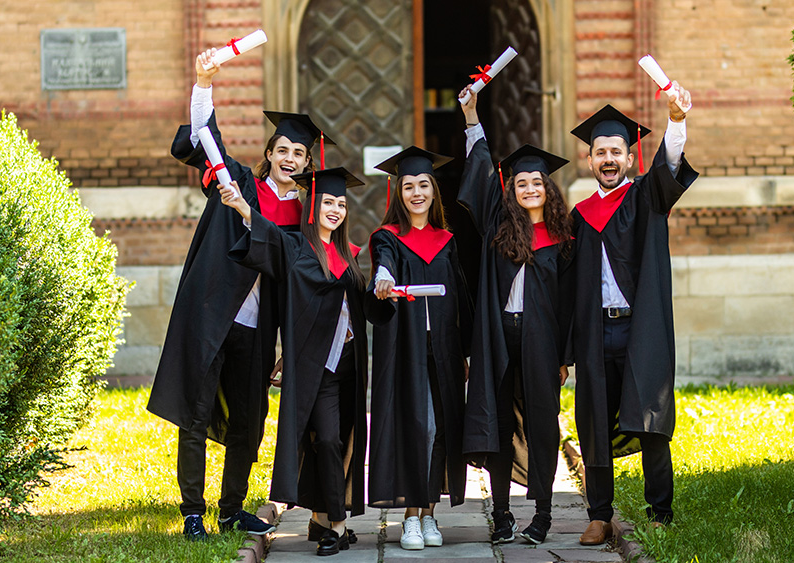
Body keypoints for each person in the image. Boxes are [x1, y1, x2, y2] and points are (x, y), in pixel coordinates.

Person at [146, 48, 329, 540]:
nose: (290, 159)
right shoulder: (240, 184)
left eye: (300, 154)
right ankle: (191, 511)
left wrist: (292, 348)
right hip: (211, 318)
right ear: (270, 153)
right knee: (197, 413)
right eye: (283, 150)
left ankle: (229, 510)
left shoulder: (309, 219)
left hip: (258, 327)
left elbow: (307, 285)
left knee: (249, 422)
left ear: (308, 163)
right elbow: (207, 141)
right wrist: (203, 83)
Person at [566, 86, 698, 545]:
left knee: (651, 419)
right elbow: (566, 288)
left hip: (640, 330)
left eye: (615, 152)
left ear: (629, 156)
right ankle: (599, 514)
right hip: (596, 333)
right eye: (600, 152)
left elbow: (670, 168)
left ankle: (660, 510)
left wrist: (676, 121)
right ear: (589, 160)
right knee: (594, 423)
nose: (607, 159)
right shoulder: (579, 216)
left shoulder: (646, 198)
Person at [219, 166, 368, 556]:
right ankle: (338, 525)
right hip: (313, 365)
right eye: (327, 203)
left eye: (340, 203)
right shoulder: (295, 247)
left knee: (333, 440)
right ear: (313, 206)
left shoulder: (348, 254)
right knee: (328, 439)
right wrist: (242, 208)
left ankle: (322, 519)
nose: (335, 210)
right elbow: (265, 233)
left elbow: (356, 305)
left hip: (348, 361)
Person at [457, 86, 574, 545]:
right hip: (500, 335)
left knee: (544, 423)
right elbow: (483, 169)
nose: (529, 188)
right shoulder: (499, 228)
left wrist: (565, 355)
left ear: (548, 187)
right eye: (521, 182)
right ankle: (502, 513)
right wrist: (471, 116)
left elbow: (569, 304)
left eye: (536, 182)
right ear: (512, 189)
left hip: (543, 341)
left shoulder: (565, 238)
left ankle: (542, 513)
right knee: (499, 422)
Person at [364, 146, 473, 550]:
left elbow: (460, 298)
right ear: (399, 193)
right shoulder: (388, 238)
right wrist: (384, 278)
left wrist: (463, 352)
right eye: (408, 186)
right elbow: (384, 261)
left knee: (442, 428)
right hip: (407, 350)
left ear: (433, 191)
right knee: (419, 426)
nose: (416, 193)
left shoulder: (446, 240)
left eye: (423, 185)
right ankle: (411, 515)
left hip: (443, 349)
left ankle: (430, 513)